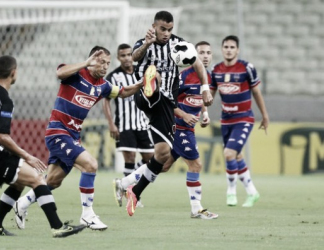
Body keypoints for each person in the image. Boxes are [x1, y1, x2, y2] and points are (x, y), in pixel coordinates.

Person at [0, 56, 85, 237]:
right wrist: (28, 157)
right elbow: (2, 137)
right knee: (37, 179)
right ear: (13, 72)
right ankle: (57, 227)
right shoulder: (5, 101)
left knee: (19, 183)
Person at [14, 46, 143, 230]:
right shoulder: (77, 73)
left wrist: (141, 85)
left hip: (72, 136)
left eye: (107, 63)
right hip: (58, 132)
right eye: (101, 61)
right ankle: (87, 215)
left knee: (53, 181)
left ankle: (22, 203)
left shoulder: (102, 85)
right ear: (92, 59)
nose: (105, 66)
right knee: (90, 165)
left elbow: (122, 92)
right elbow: (59, 73)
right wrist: (87, 62)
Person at [114, 41, 218, 219]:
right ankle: (196, 208)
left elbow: (200, 99)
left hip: (189, 127)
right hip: (178, 125)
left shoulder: (207, 78)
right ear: (192, 56)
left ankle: (125, 183)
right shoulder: (182, 76)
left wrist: (205, 113)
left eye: (208, 53)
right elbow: (169, 103)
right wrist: (184, 115)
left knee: (164, 165)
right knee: (196, 164)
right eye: (201, 53)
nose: (205, 56)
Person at [210, 35, 269, 207]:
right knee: (237, 155)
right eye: (226, 47)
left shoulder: (246, 68)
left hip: (244, 118)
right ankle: (252, 192)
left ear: (237, 50)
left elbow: (257, 93)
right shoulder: (216, 70)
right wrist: (202, 111)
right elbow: (210, 95)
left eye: (232, 47)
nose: (229, 50)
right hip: (226, 120)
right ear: (222, 49)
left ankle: (231, 191)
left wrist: (264, 116)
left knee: (229, 153)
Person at [103, 44, 154, 208]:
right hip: (124, 125)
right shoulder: (114, 76)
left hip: (142, 123)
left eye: (128, 54)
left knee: (152, 160)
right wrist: (111, 124)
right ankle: (131, 195)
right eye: (122, 55)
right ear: (118, 58)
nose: (126, 58)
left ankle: (123, 184)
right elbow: (106, 101)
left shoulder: (142, 72)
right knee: (130, 159)